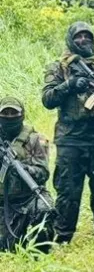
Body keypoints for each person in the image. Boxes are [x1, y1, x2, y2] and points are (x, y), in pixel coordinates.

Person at [42, 22, 94, 245]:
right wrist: (70, 85)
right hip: (71, 140)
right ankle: (62, 238)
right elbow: (47, 99)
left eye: (87, 36)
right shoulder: (58, 67)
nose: (83, 40)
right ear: (70, 40)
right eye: (78, 37)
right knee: (68, 192)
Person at [0, 97, 53, 252]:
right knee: (6, 247)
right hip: (2, 202)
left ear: (22, 115)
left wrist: (24, 169)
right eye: (5, 113)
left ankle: (39, 250)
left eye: (13, 113)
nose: (9, 117)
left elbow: (43, 173)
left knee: (45, 209)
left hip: (27, 199)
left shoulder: (36, 139)